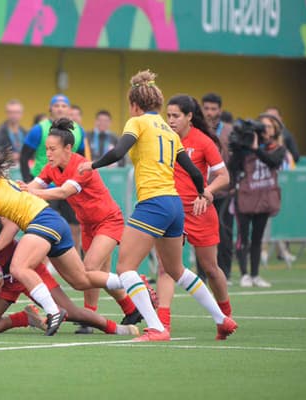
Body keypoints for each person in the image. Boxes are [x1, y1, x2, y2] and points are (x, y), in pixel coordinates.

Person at [78, 70, 237, 341]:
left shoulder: (137, 122)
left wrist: (91, 164)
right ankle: (222, 320)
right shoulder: (169, 130)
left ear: (135, 105)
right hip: (175, 205)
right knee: (177, 270)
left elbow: (118, 152)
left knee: (125, 268)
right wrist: (202, 194)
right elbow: (196, 174)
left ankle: (156, 328)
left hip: (153, 203)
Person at [0, 148, 133, 336]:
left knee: (18, 268)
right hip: (53, 222)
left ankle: (53, 312)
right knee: (81, 279)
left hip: (42, 222)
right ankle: (132, 282)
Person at [22, 118, 153, 331]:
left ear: (68, 148)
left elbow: (63, 192)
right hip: (88, 225)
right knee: (99, 276)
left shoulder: (82, 166)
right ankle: (126, 310)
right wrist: (17, 191)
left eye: (53, 149)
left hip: (108, 221)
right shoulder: (50, 168)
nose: (48, 154)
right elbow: (31, 187)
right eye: (46, 149)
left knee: (89, 269)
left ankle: (137, 283)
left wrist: (32, 192)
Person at [0, 210, 139, 336]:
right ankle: (23, 318)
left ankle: (116, 329)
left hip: (26, 268)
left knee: (71, 312)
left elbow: (12, 221)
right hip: (1, 286)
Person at [155, 94, 233, 331]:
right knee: (165, 267)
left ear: (189, 117)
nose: (171, 120)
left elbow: (224, 177)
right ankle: (162, 324)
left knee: (210, 268)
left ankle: (225, 317)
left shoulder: (203, 141)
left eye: (176, 116)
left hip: (199, 212)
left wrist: (207, 192)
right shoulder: (164, 139)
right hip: (172, 211)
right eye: (168, 115)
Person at [20, 94, 85, 255]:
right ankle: (45, 259)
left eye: (64, 106)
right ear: (50, 108)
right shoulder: (39, 129)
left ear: (69, 109)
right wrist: (28, 183)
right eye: (57, 105)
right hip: (44, 182)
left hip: (69, 184)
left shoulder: (78, 130)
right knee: (46, 223)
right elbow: (24, 156)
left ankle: (74, 255)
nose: (60, 108)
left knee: (75, 224)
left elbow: (82, 157)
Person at [230, 114, 286, 288]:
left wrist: (256, 149)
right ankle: (244, 274)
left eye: (269, 127)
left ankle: (255, 274)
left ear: (275, 130)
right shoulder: (245, 147)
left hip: (264, 198)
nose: (266, 130)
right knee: (243, 237)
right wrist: (241, 147)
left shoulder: (277, 148)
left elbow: (273, 161)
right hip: (245, 197)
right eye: (263, 126)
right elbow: (232, 167)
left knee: (257, 238)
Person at [202, 93, 235, 282]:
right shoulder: (197, 129)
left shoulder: (229, 132)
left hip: (225, 191)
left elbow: (238, 160)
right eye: (206, 108)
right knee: (200, 234)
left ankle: (225, 273)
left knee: (224, 231)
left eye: (213, 109)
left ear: (220, 111)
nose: (209, 112)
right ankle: (202, 273)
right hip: (201, 192)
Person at [0, 99, 26, 163]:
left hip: (22, 169)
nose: (14, 115)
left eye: (16, 112)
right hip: (6, 169)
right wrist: (8, 156)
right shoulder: (0, 133)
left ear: (21, 114)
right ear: (7, 113)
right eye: (11, 112)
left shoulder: (24, 132)